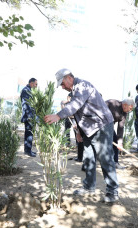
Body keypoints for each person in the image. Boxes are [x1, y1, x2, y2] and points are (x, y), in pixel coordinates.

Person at [44, 69, 119, 203]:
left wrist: (58, 115)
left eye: (62, 83)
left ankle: (112, 191)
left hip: (101, 125)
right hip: (89, 128)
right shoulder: (74, 92)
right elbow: (79, 113)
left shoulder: (83, 86)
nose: (62, 87)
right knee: (88, 157)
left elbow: (75, 106)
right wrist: (79, 131)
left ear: (69, 78)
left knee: (105, 158)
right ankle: (89, 186)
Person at [105, 98, 135, 168]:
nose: (130, 110)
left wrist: (120, 142)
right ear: (125, 105)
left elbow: (120, 127)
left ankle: (115, 162)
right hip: (100, 125)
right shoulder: (112, 103)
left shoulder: (125, 112)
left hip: (109, 127)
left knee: (115, 142)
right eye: (130, 108)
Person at [21, 78, 38, 157]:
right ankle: (28, 151)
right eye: (35, 84)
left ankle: (28, 150)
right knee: (29, 134)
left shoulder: (29, 90)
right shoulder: (26, 90)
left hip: (30, 116)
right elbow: (26, 104)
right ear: (31, 83)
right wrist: (30, 116)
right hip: (28, 117)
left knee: (29, 133)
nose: (36, 86)